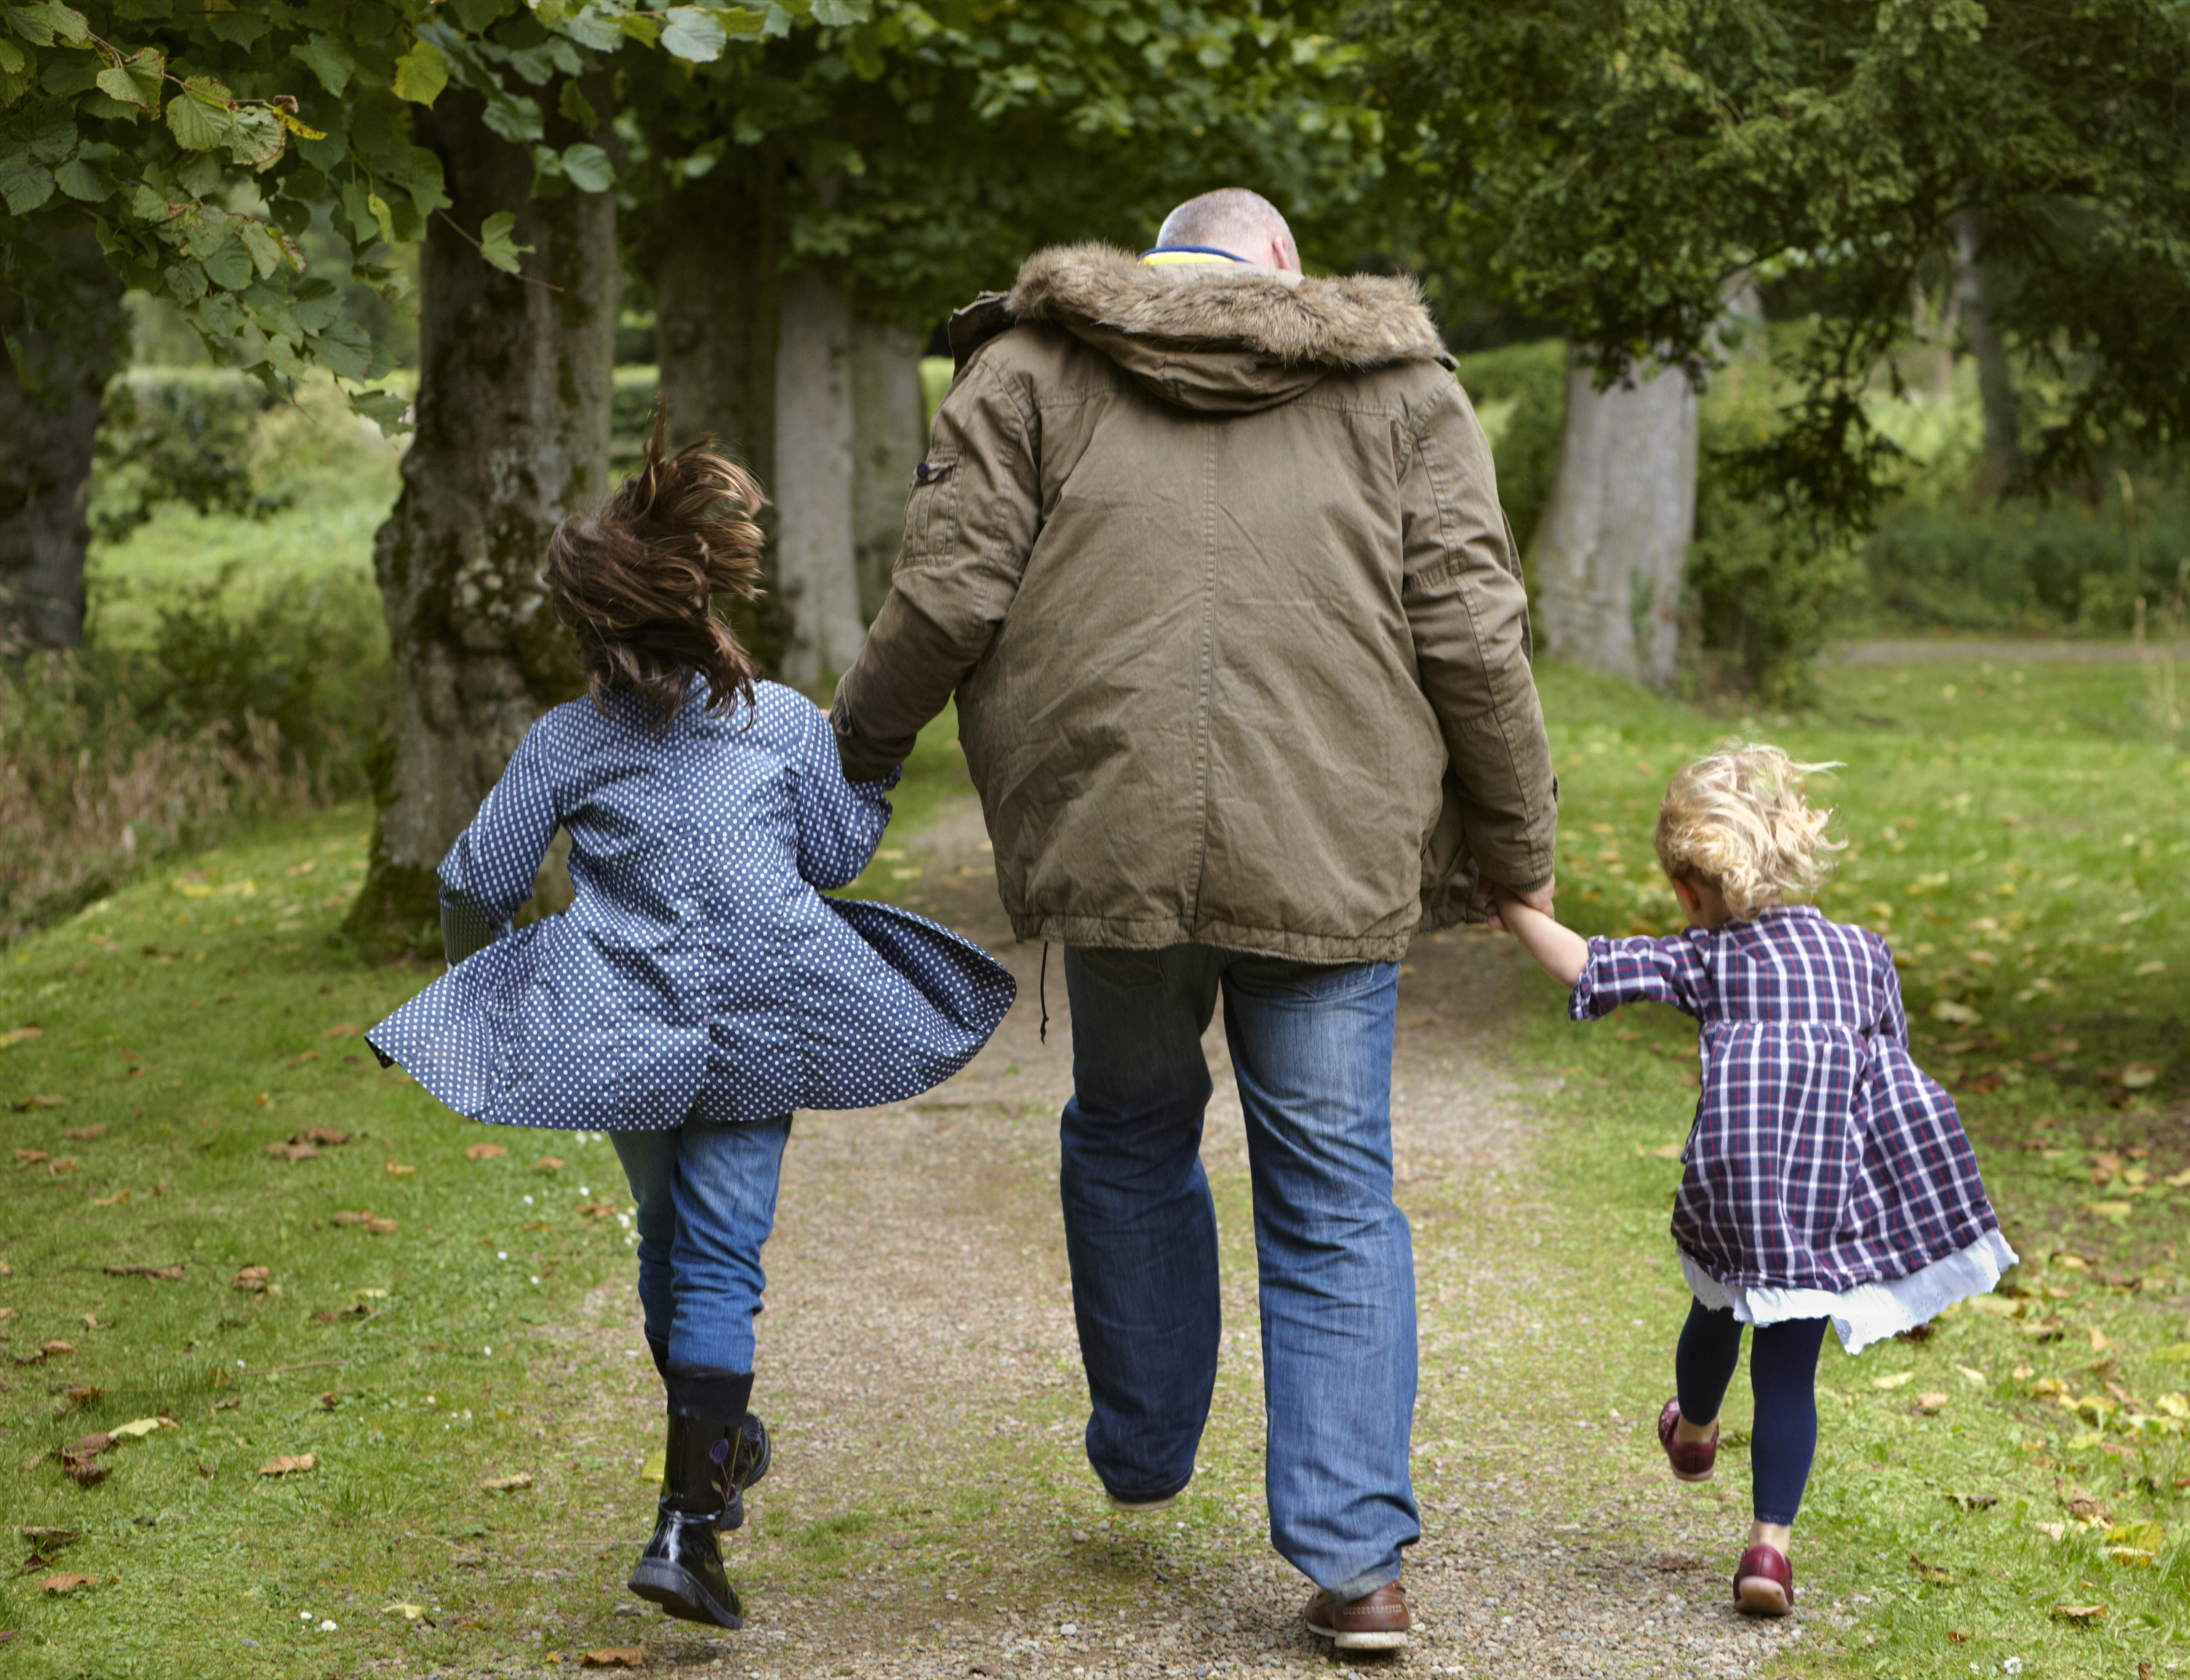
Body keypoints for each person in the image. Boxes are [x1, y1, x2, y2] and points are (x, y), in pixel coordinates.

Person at [830, 188, 1556, 1652]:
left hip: (1114, 835)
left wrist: (849, 751)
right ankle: (1356, 1563)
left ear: (1161, 262)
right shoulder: (1400, 388)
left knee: (1128, 1126)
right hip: (1333, 847)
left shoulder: (1026, 370)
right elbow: (1470, 631)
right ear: (1281, 268)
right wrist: (1514, 851)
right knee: (1333, 1195)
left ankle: (1148, 1442)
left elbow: (946, 593)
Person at [367, 419, 1015, 1631]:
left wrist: (485, 986)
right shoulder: (776, 720)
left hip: (621, 1021)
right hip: (770, 1014)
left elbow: (473, 879)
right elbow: (828, 855)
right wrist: (861, 772)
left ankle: (700, 1477)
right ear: (703, 599)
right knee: (715, 1257)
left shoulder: (568, 742)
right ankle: (690, 1518)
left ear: (591, 628)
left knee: (669, 1237)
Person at [1487, 744, 2014, 1618]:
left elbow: (1586, 965)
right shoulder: (1865, 955)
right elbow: (1892, 1067)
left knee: (1714, 1307)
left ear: (1692, 892)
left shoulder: (1711, 958)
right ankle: (1770, 1553)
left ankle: (1693, 1431)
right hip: (1818, 1197)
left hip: (1731, 1191)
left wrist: (1510, 904)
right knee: (1788, 1375)